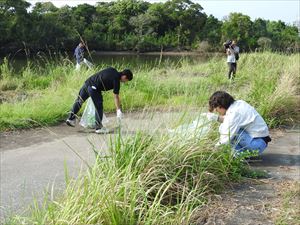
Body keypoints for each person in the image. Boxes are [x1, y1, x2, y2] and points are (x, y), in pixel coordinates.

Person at [66, 67, 133, 133]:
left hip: (87, 83)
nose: (125, 82)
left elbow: (102, 76)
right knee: (99, 106)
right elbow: (116, 96)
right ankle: (98, 127)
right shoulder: (116, 81)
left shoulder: (112, 69)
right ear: (124, 77)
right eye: (126, 80)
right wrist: (118, 110)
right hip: (94, 88)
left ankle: (70, 118)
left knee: (79, 101)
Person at [206, 91, 271, 155]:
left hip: (256, 144)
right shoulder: (239, 103)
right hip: (260, 141)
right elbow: (230, 120)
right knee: (227, 128)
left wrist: (212, 151)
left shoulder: (234, 113)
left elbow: (225, 139)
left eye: (216, 109)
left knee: (226, 132)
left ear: (220, 106)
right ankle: (242, 154)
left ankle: (240, 155)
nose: (217, 111)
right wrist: (217, 118)